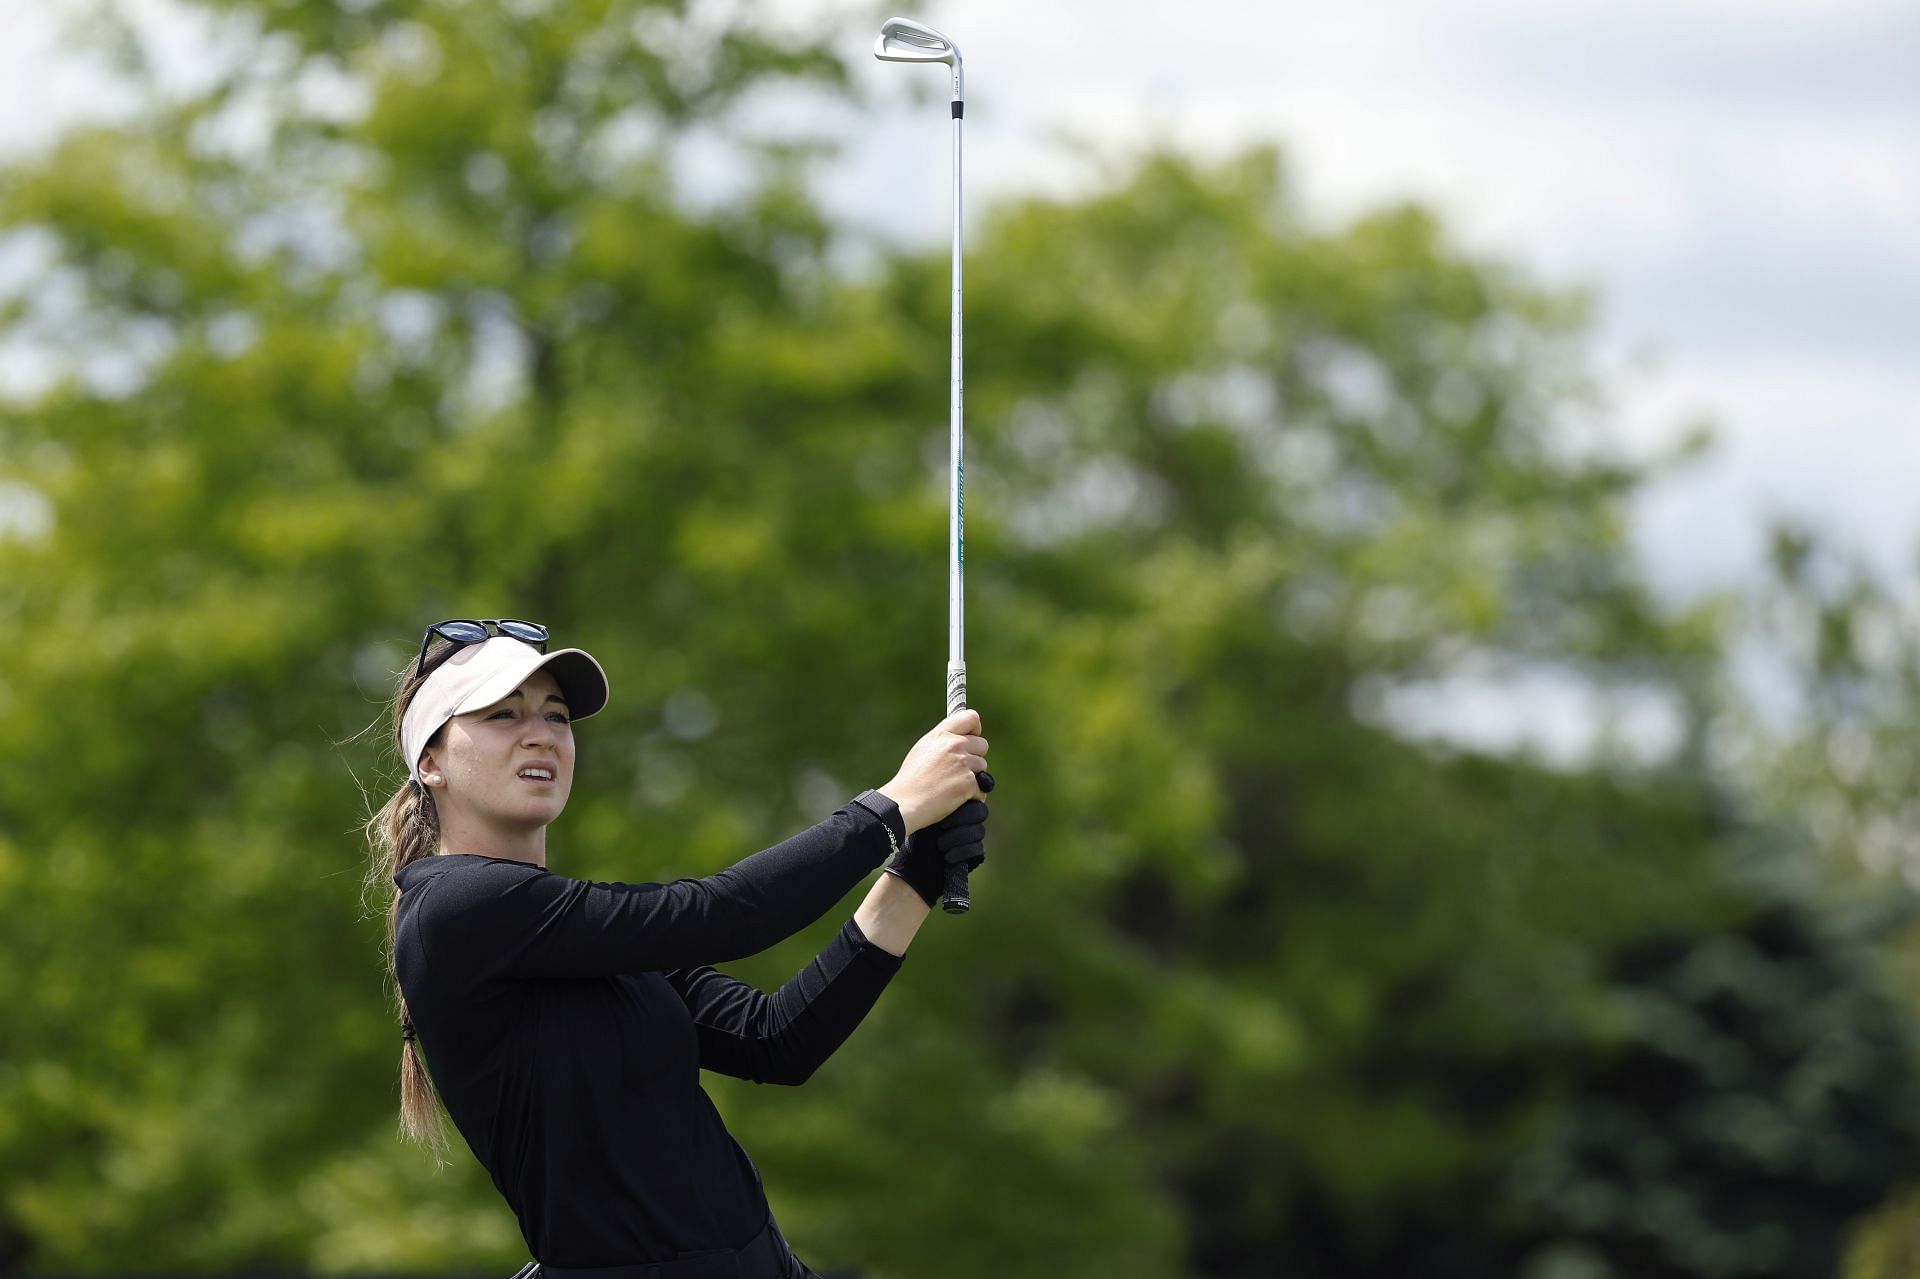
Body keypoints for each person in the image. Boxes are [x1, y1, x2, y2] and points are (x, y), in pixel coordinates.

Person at [361, 618, 991, 1279]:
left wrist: (916, 871)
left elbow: (774, 1038)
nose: (541, 732)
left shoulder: (569, 930)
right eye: (501, 714)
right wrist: (891, 808)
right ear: (430, 761)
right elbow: (723, 913)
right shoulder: (456, 907)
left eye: (556, 715)